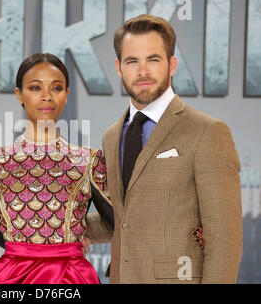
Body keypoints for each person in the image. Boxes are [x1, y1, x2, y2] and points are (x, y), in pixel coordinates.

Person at [86, 14, 242, 283]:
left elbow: (224, 241)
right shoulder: (112, 136)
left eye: (153, 59)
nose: (142, 71)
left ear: (172, 64)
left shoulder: (208, 131)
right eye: (132, 61)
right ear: (118, 67)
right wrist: (56, 221)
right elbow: (123, 220)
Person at [0, 53, 115, 284]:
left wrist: (75, 233)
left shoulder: (89, 160)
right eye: (36, 88)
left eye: (56, 88)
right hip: (11, 278)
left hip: (72, 278)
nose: (46, 97)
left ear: (67, 95)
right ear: (19, 94)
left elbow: (122, 224)